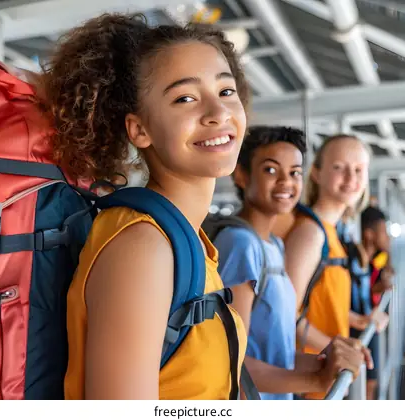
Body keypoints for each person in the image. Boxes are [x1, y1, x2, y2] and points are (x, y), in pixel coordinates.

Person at [40, 13, 251, 399]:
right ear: (139, 130)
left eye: (226, 91)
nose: (218, 113)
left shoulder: (187, 242)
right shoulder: (143, 248)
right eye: (185, 98)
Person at [212, 127, 368, 400]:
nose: (286, 182)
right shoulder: (240, 244)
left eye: (295, 172)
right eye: (271, 170)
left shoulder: (274, 245)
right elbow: (229, 361)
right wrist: (314, 379)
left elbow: (278, 353)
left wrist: (329, 358)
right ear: (241, 175)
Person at [281, 134, 373, 400]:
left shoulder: (332, 232)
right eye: (339, 167)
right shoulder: (310, 233)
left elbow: (319, 299)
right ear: (317, 174)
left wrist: (355, 319)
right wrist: (336, 350)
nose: (351, 177)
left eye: (359, 169)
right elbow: (286, 316)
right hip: (304, 382)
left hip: (323, 380)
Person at [345, 206, 394, 400]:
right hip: (354, 332)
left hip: (365, 328)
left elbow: (363, 292)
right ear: (369, 234)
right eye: (384, 231)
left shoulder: (368, 260)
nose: (388, 237)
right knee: (364, 386)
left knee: (370, 384)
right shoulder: (352, 259)